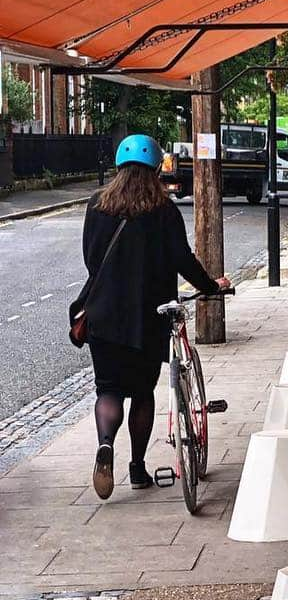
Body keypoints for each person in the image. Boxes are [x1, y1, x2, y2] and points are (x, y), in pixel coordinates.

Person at [73, 134, 230, 500]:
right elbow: (183, 260)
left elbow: (90, 260)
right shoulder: (163, 209)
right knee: (142, 393)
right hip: (147, 318)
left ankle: (105, 445)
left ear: (118, 165)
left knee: (108, 390)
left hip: (105, 315)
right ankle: (138, 469)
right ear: (157, 166)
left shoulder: (97, 205)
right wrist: (211, 285)